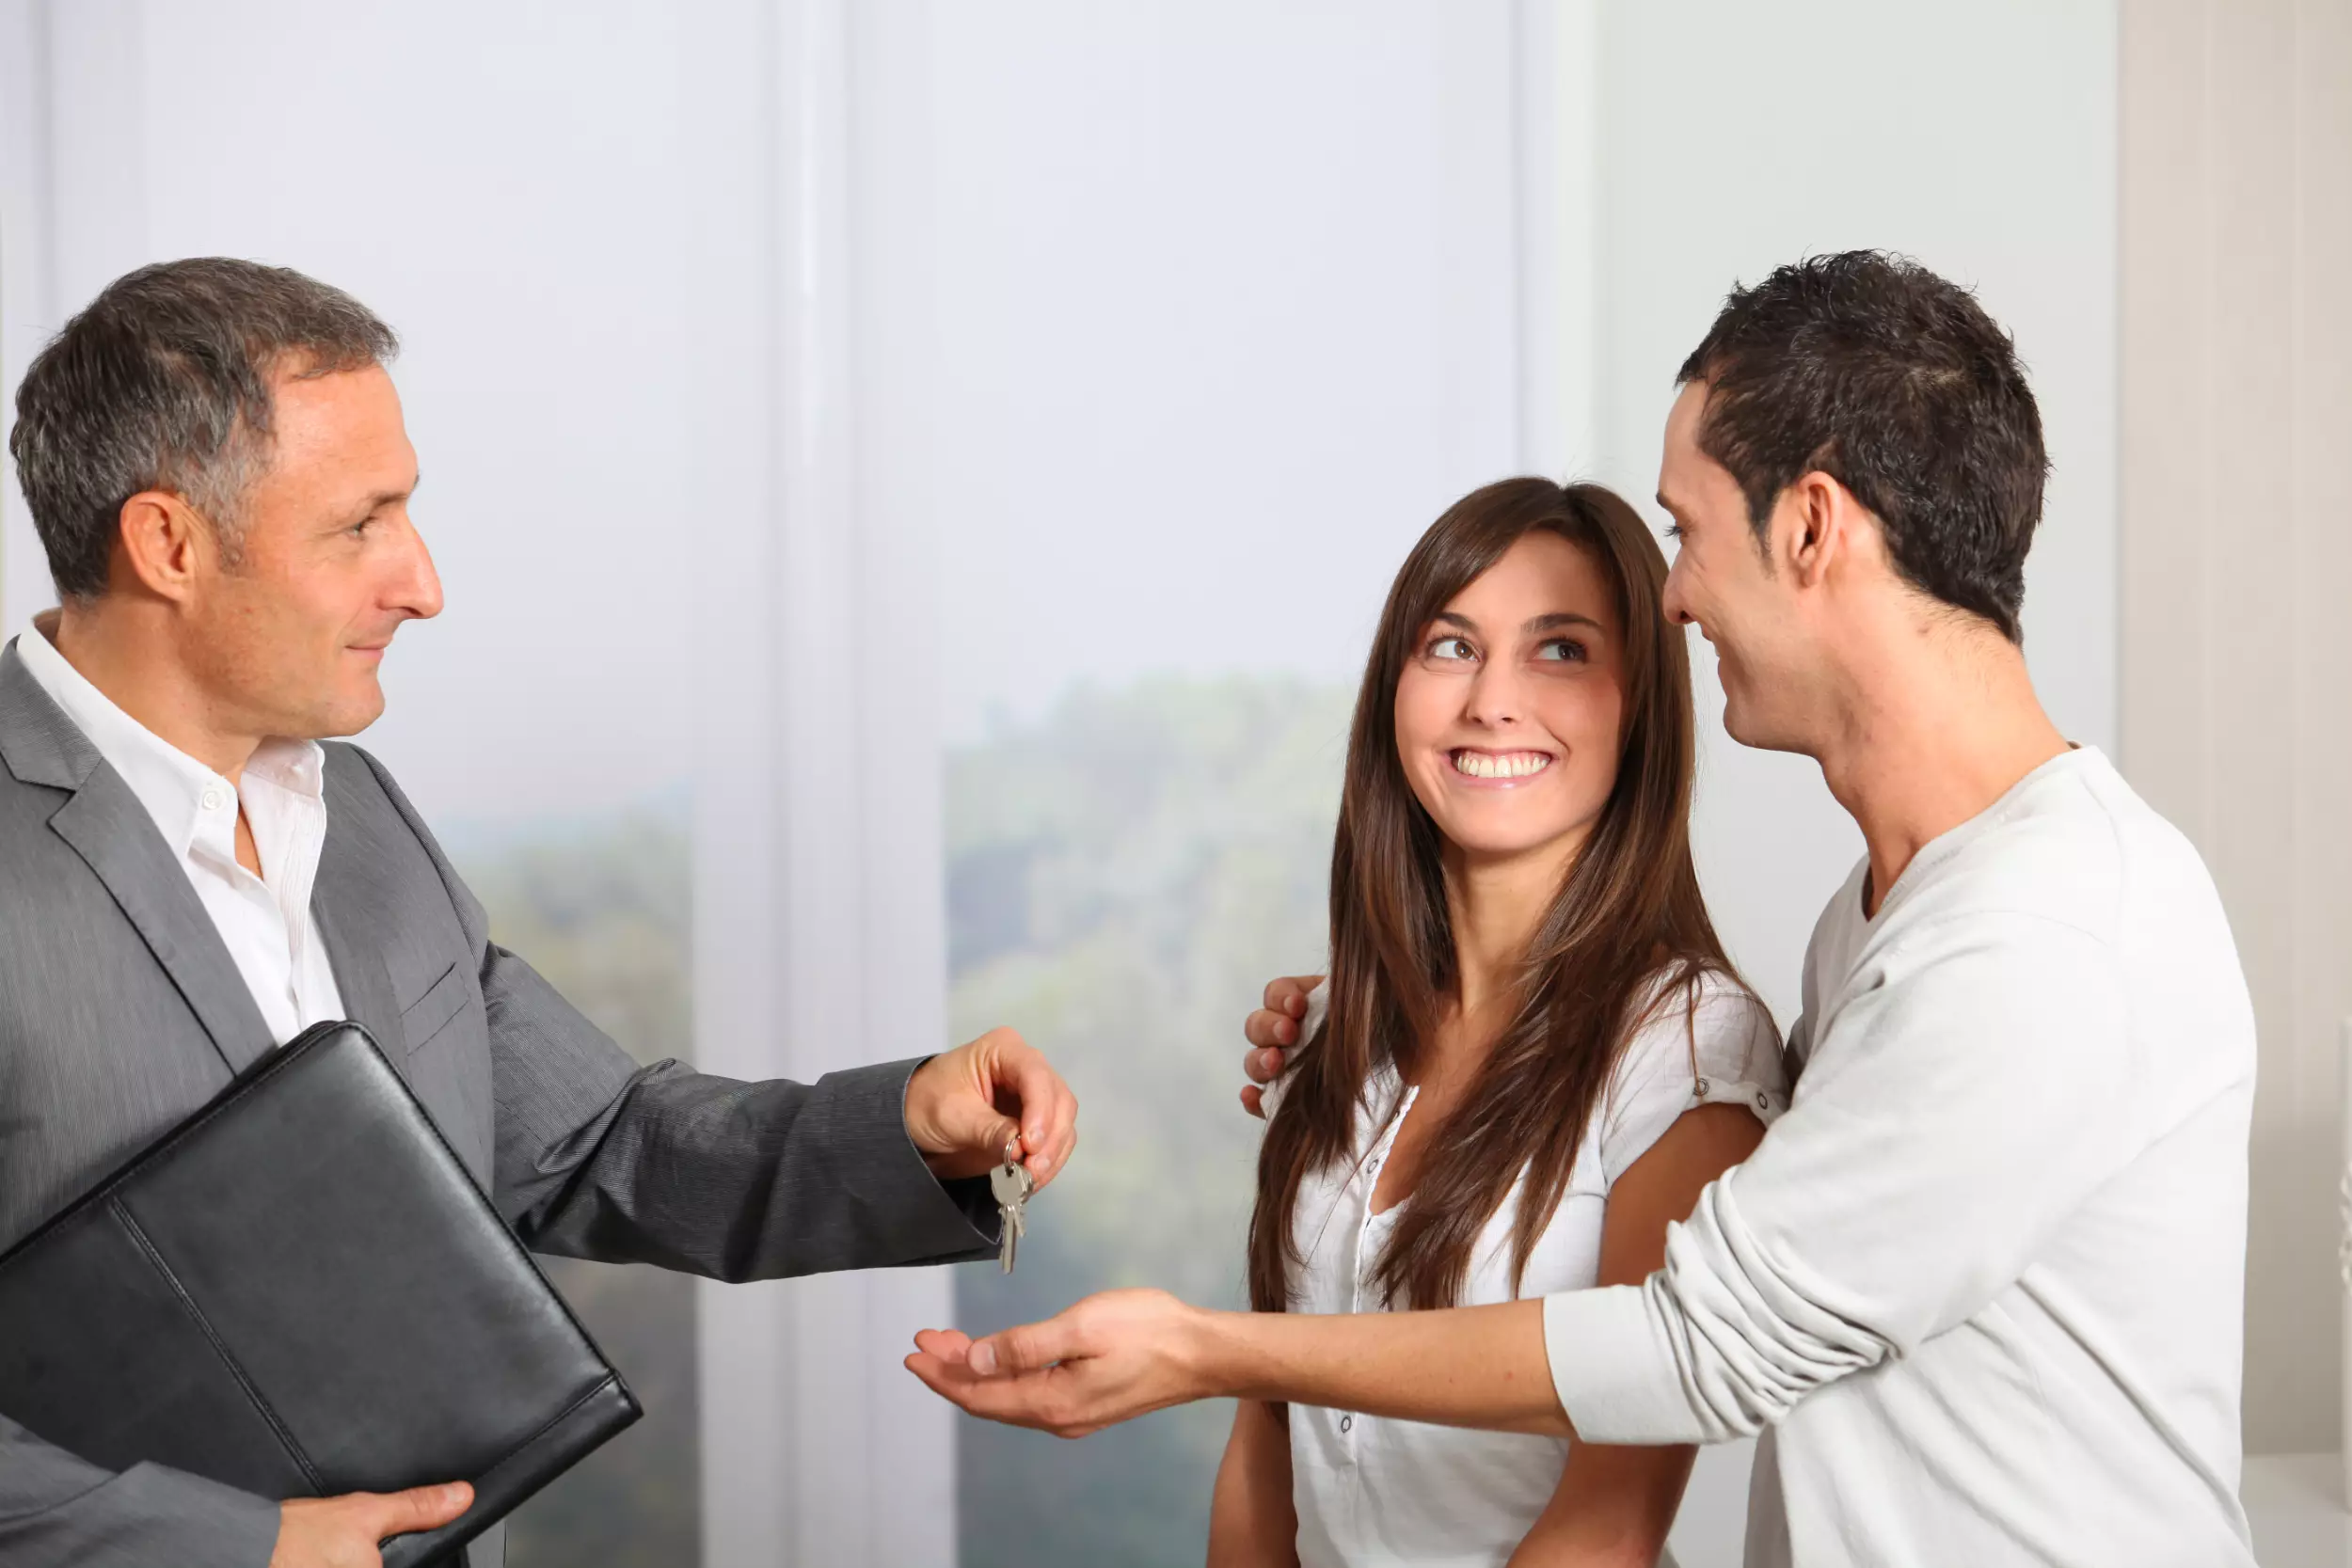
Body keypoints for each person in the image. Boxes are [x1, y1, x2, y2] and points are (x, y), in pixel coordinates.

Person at [908, 252, 2258, 1568]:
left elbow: (1694, 1347)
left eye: (1686, 530)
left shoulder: (2045, 936)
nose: (1674, 594)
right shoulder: (1887, 915)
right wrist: (1380, 1025)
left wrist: (1205, 1345)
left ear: (1810, 525)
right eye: (1452, 643)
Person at [0, 258, 1079, 1568]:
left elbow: (597, 1140)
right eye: (360, 525)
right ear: (167, 542)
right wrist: (243, 1547)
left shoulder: (362, 812)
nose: (422, 579)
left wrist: (907, 1126)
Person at [1206, 476, 1785, 1568]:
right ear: (1394, 687)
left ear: (1638, 704)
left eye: (1560, 649)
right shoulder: (1329, 1032)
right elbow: (1264, 1439)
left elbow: (1608, 1525)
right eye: (1450, 646)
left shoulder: (1693, 1045)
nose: (1491, 702)